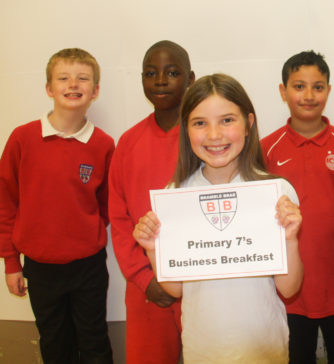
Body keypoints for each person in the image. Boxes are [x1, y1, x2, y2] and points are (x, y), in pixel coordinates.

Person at [132, 73, 304, 363]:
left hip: (265, 348)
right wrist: (152, 247)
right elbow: (174, 288)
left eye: (227, 120)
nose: (214, 135)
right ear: (186, 130)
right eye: (200, 123)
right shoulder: (175, 195)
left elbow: (289, 288)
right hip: (202, 350)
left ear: (249, 124)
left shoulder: (276, 193)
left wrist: (289, 239)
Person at [0, 48, 114, 364]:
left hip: (88, 265)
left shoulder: (103, 144)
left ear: (95, 90)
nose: (73, 84)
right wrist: (11, 262)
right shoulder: (22, 139)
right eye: (63, 78)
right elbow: (6, 201)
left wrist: (83, 232)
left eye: (83, 78)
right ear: (50, 89)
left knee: (94, 341)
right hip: (39, 265)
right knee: (54, 341)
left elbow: (106, 205)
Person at [261, 50, 334, 364]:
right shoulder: (266, 149)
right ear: (283, 91)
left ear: (329, 91)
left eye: (318, 87)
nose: (308, 95)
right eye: (298, 86)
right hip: (289, 291)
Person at [108, 40, 195, 363]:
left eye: (172, 73)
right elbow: (119, 219)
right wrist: (145, 279)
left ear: (191, 79)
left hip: (201, 286)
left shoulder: (206, 138)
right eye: (150, 73)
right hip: (147, 288)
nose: (160, 80)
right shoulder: (129, 143)